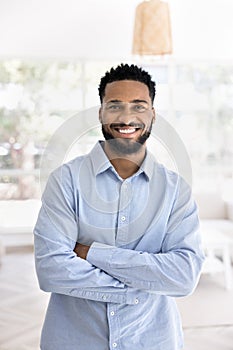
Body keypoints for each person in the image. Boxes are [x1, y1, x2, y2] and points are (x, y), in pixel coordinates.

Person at [34, 63, 205, 350]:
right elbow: (51, 269)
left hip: (153, 339)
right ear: (100, 113)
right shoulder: (66, 180)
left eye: (139, 106)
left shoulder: (176, 190)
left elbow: (184, 276)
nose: (127, 117)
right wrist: (141, 284)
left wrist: (91, 253)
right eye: (115, 106)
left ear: (152, 115)